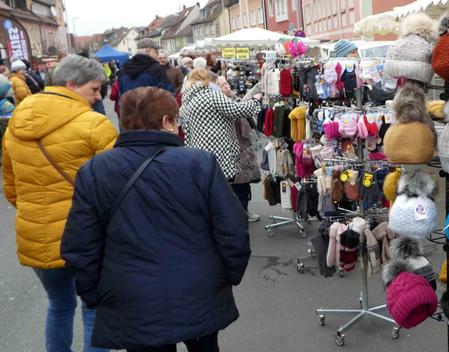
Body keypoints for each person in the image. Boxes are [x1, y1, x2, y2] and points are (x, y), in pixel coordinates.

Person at [61, 87, 250, 352]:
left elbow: (80, 244)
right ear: (165, 122)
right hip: (197, 287)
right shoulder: (198, 163)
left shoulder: (96, 170)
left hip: (131, 294)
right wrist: (227, 276)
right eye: (175, 119)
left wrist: (96, 294)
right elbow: (233, 228)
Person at [2, 54, 117, 352]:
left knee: (59, 305)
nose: (97, 97)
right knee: (94, 308)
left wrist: (36, 211)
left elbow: (10, 184)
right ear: (71, 84)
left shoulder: (17, 118)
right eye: (93, 89)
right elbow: (116, 186)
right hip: (87, 236)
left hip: (36, 235)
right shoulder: (94, 124)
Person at [180, 69, 261, 221]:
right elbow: (236, 110)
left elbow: (185, 127)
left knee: (209, 190)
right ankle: (229, 220)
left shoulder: (187, 100)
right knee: (224, 189)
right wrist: (256, 101)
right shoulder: (211, 95)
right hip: (219, 150)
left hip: (197, 153)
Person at [216, 75, 262, 221]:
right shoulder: (223, 106)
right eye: (222, 85)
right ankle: (240, 213)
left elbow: (242, 107)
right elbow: (241, 109)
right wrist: (254, 96)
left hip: (243, 148)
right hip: (234, 150)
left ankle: (243, 211)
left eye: (226, 83)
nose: (227, 86)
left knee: (243, 184)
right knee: (238, 185)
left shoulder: (233, 101)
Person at [116, 39, 174, 108]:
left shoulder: (124, 69)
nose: (158, 54)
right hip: (152, 114)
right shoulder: (156, 68)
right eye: (156, 51)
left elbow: (120, 97)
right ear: (149, 50)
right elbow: (168, 93)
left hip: (130, 114)